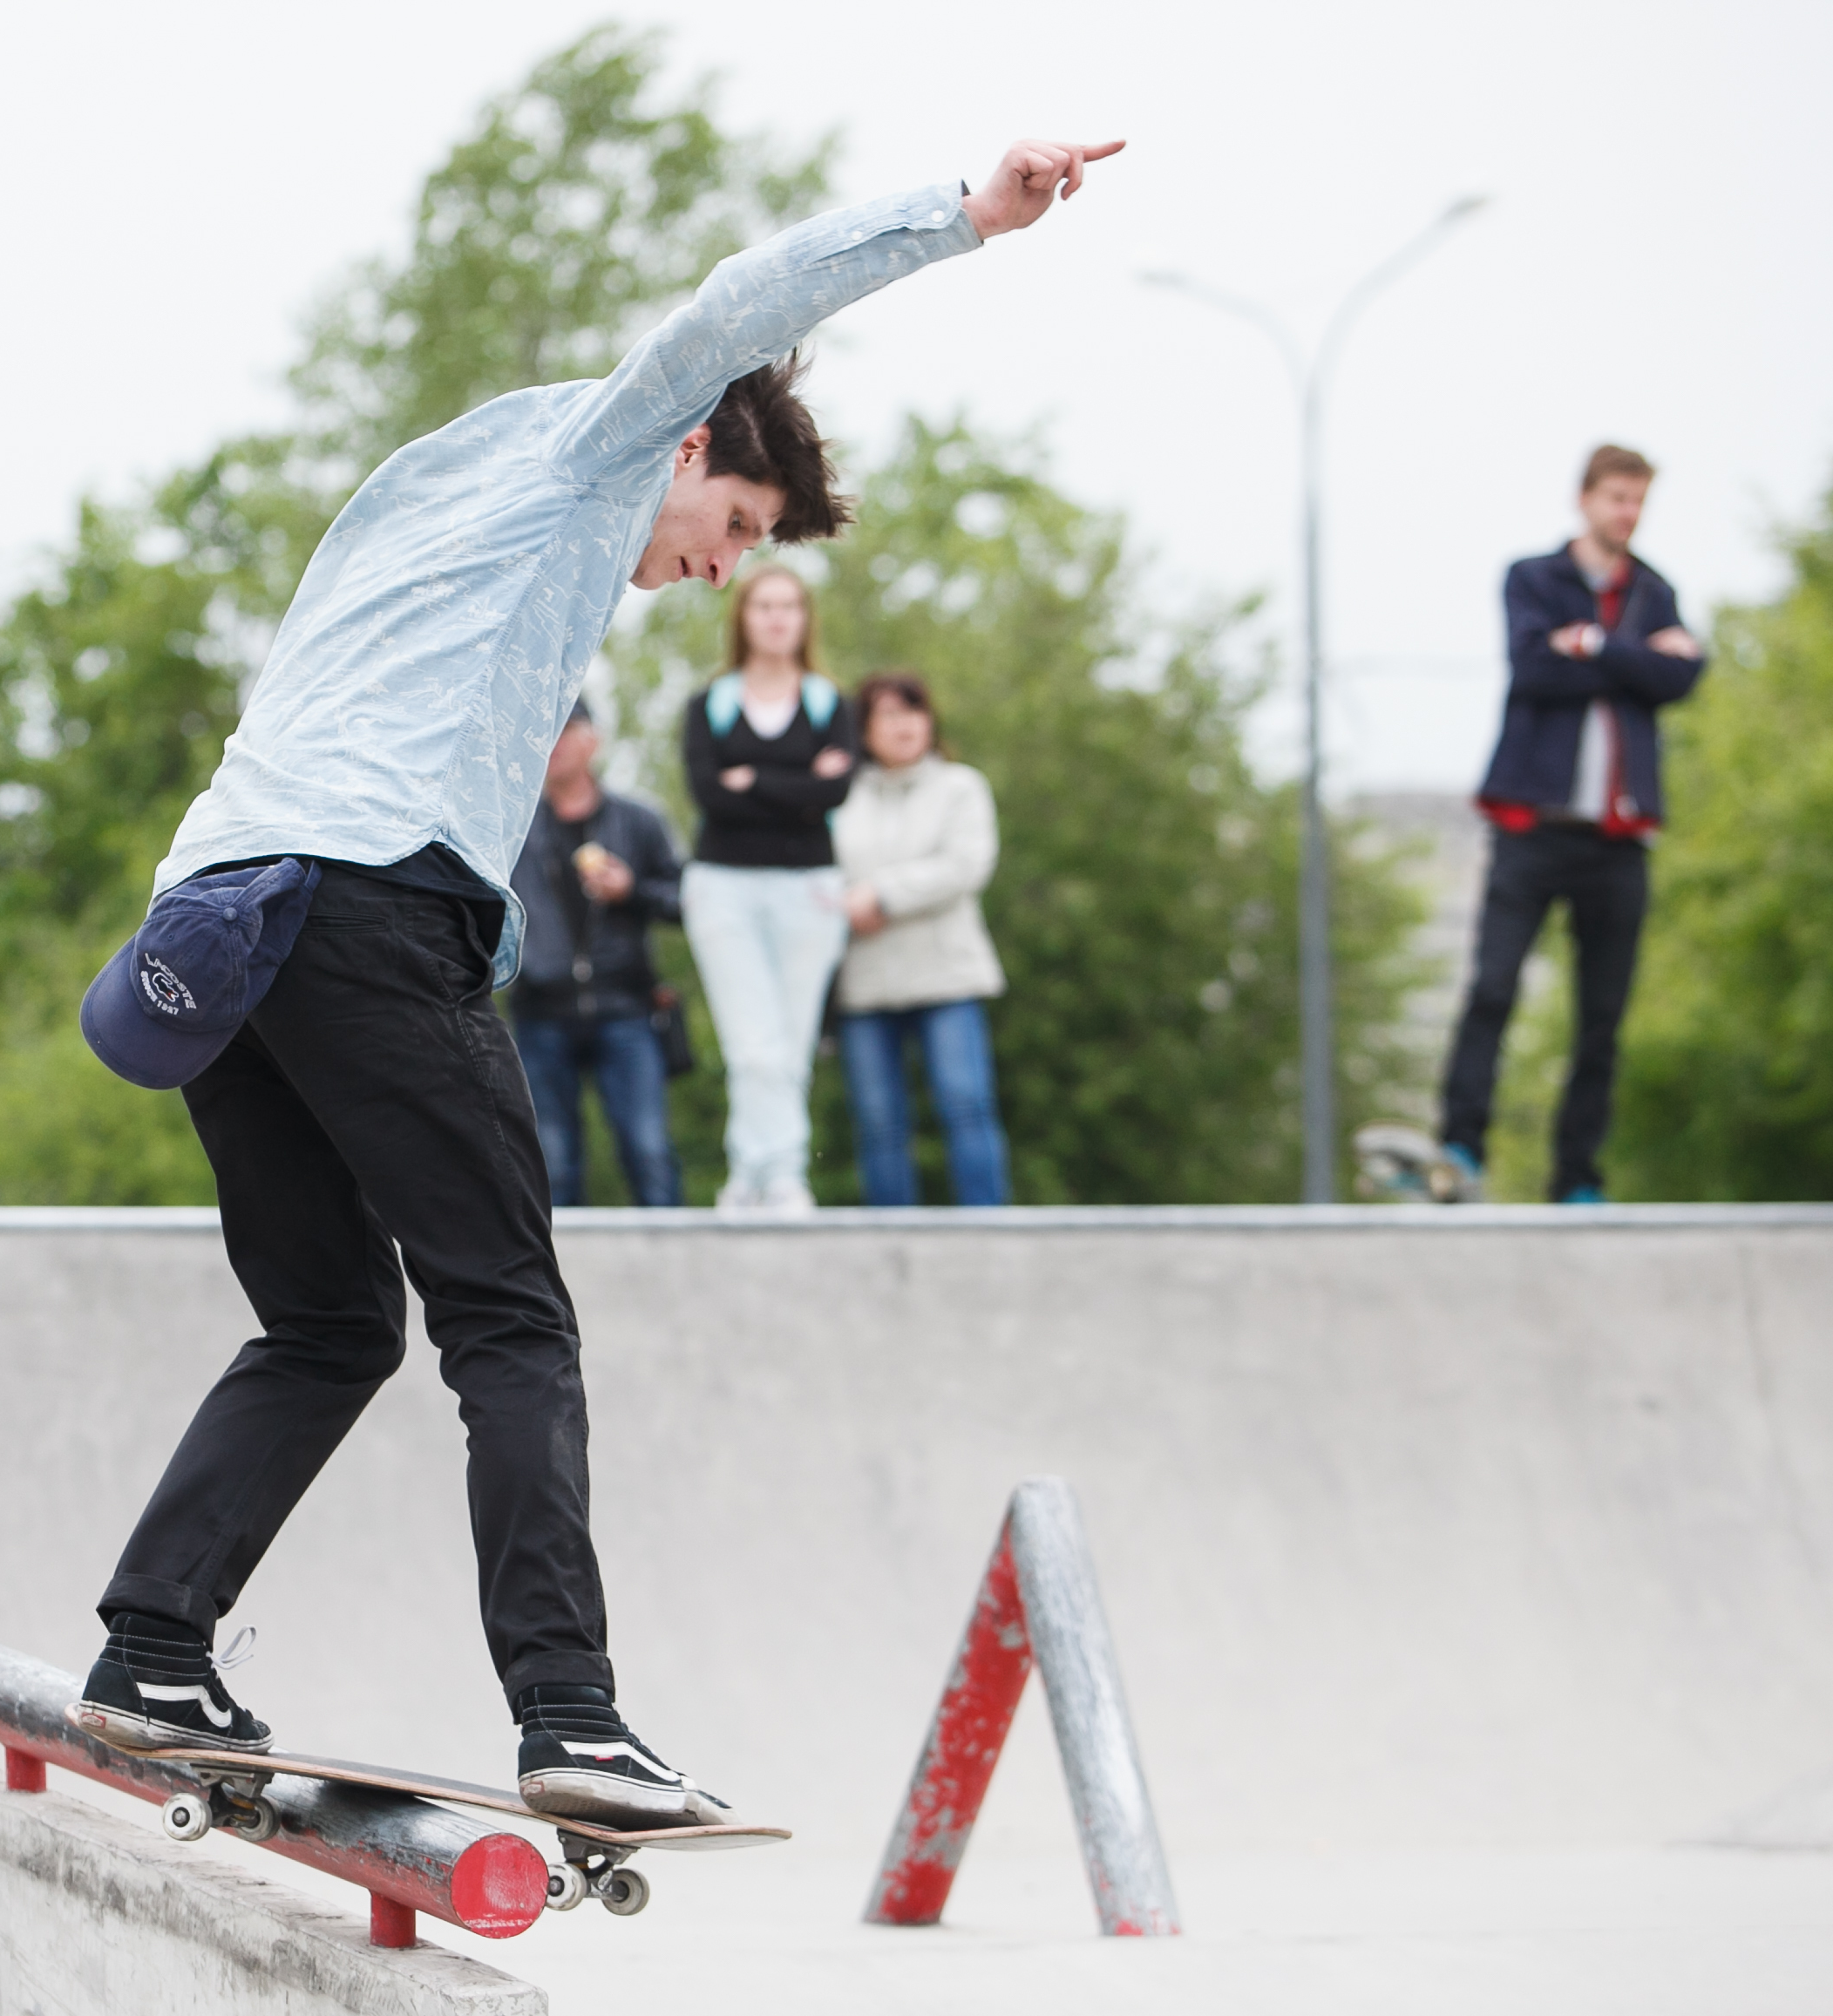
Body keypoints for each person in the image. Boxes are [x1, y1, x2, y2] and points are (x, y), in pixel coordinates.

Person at [64, 139, 1120, 1829]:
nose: (720, 562)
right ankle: (568, 1715)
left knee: (332, 1322)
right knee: (509, 1317)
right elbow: (738, 307)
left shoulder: (434, 485)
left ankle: (148, 1652)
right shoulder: (599, 447)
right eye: (738, 526)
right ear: (689, 447)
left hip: (218, 914)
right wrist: (966, 217)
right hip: (358, 902)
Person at [1435, 445, 1707, 1204]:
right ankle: (1460, 1149)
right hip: (1532, 828)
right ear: (1584, 498)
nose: (1627, 513)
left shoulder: (1655, 592)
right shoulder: (1534, 579)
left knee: (1600, 1019)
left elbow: (1680, 678)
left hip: (1617, 841)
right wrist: (1631, 662)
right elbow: (1532, 669)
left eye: (1637, 501)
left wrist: (1592, 646)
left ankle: (1576, 1178)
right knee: (1492, 988)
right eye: (1616, 498)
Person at [680, 567, 858, 1211]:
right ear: (744, 617)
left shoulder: (830, 705)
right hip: (722, 887)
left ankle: (761, 1174)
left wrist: (749, 779)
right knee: (749, 1041)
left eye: (789, 607)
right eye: (764, 606)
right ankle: (771, 1169)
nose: (777, 618)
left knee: (790, 1042)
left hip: (808, 888)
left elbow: (835, 792)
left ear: (805, 619)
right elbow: (707, 796)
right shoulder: (709, 706)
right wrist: (796, 786)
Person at [832, 673, 1009, 1205]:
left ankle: (988, 1234)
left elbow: (965, 866)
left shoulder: (961, 787)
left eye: (912, 711)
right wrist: (845, 902)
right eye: (887, 714)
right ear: (864, 729)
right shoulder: (840, 797)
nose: (903, 724)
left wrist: (880, 895)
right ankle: (892, 1247)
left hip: (947, 979)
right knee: (879, 1124)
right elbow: (820, 875)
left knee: (967, 1108)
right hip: (866, 985)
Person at [504, 698, 687, 1208]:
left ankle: (674, 1274)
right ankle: (555, 1286)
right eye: (543, 733)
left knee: (648, 1151)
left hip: (625, 1007)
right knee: (551, 1163)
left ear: (593, 740)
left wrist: (631, 890)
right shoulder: (511, 828)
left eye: (564, 731)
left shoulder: (639, 821)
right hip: (541, 1010)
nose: (552, 745)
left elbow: (687, 901)